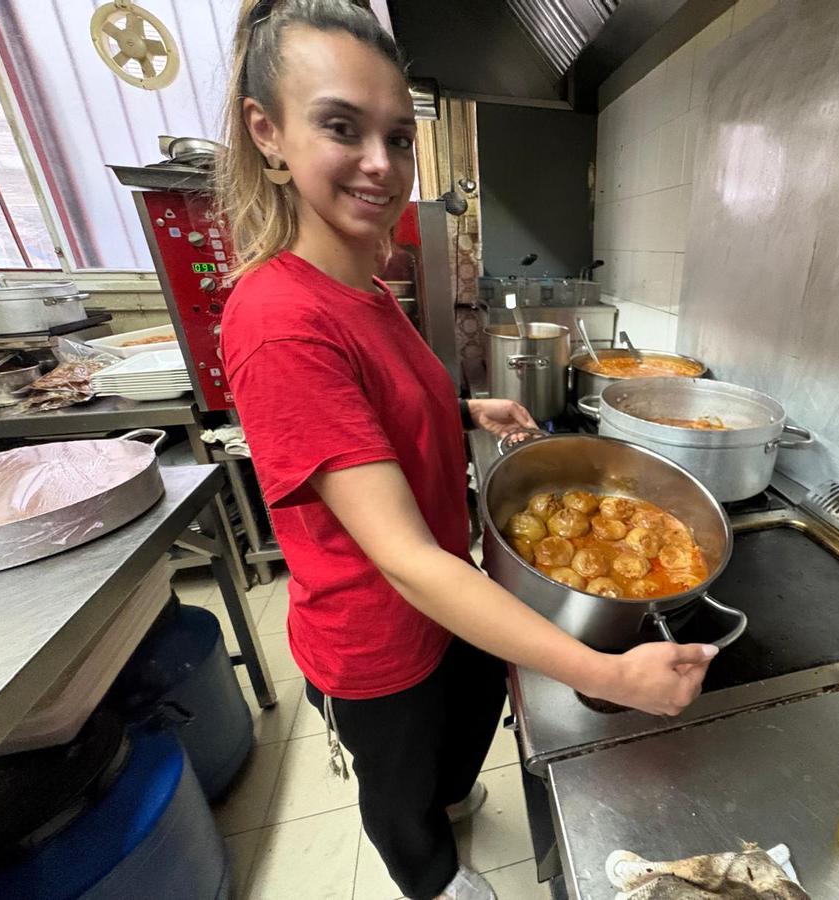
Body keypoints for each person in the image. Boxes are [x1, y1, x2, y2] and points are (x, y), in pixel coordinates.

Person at [216, 2, 718, 898]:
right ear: (268, 133)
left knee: (459, 746)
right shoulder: (280, 320)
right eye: (341, 128)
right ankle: (436, 882)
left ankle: (447, 808)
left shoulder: (363, 286)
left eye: (397, 136)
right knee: (400, 795)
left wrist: (459, 410)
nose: (381, 163)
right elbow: (403, 560)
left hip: (450, 597)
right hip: (380, 636)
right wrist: (608, 674)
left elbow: (367, 412)